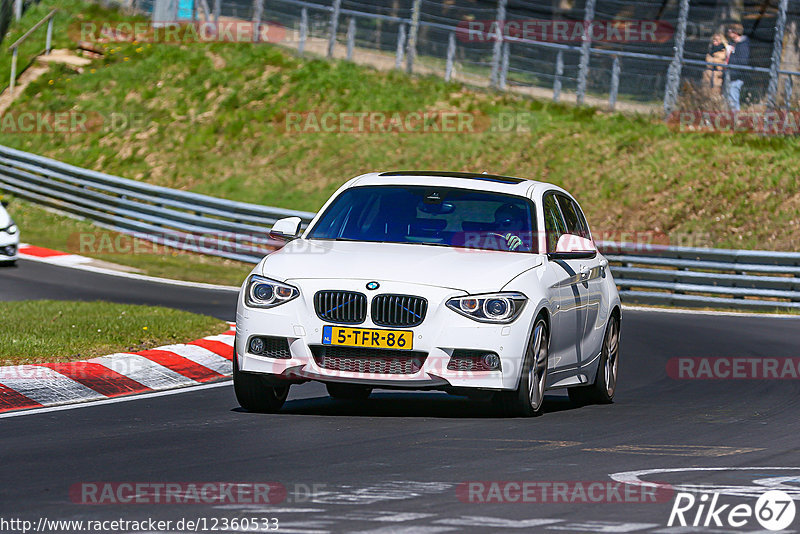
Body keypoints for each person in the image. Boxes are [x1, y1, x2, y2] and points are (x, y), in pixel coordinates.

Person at [725, 23, 750, 112]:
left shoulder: (743, 45)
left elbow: (743, 61)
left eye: (730, 31)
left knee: (733, 97)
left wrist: (732, 55)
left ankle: (735, 118)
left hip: (737, 76)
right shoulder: (733, 44)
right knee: (728, 97)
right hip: (730, 74)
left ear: (735, 32)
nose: (728, 32)